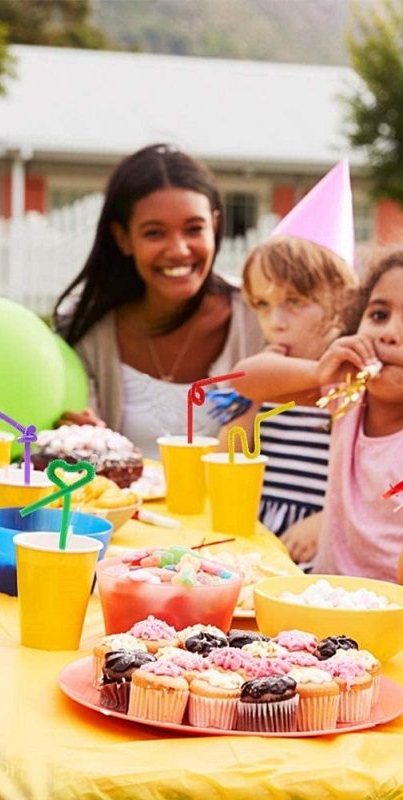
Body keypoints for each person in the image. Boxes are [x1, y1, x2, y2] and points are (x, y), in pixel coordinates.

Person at [54, 143, 264, 459]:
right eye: (155, 233)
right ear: (124, 238)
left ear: (215, 225)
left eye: (194, 229)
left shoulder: (261, 318)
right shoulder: (86, 332)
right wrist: (77, 437)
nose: (179, 249)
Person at [224, 236, 357, 543]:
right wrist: (253, 401)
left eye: (294, 301)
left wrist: (328, 520)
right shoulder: (263, 379)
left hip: (324, 546)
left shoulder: (354, 384)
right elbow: (225, 457)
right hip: (256, 538)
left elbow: (373, 479)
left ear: (342, 299)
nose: (275, 323)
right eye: (262, 305)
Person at [281, 248, 403, 582]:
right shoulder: (348, 395)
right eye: (379, 315)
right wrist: (318, 373)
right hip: (326, 598)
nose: (389, 333)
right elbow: (247, 379)